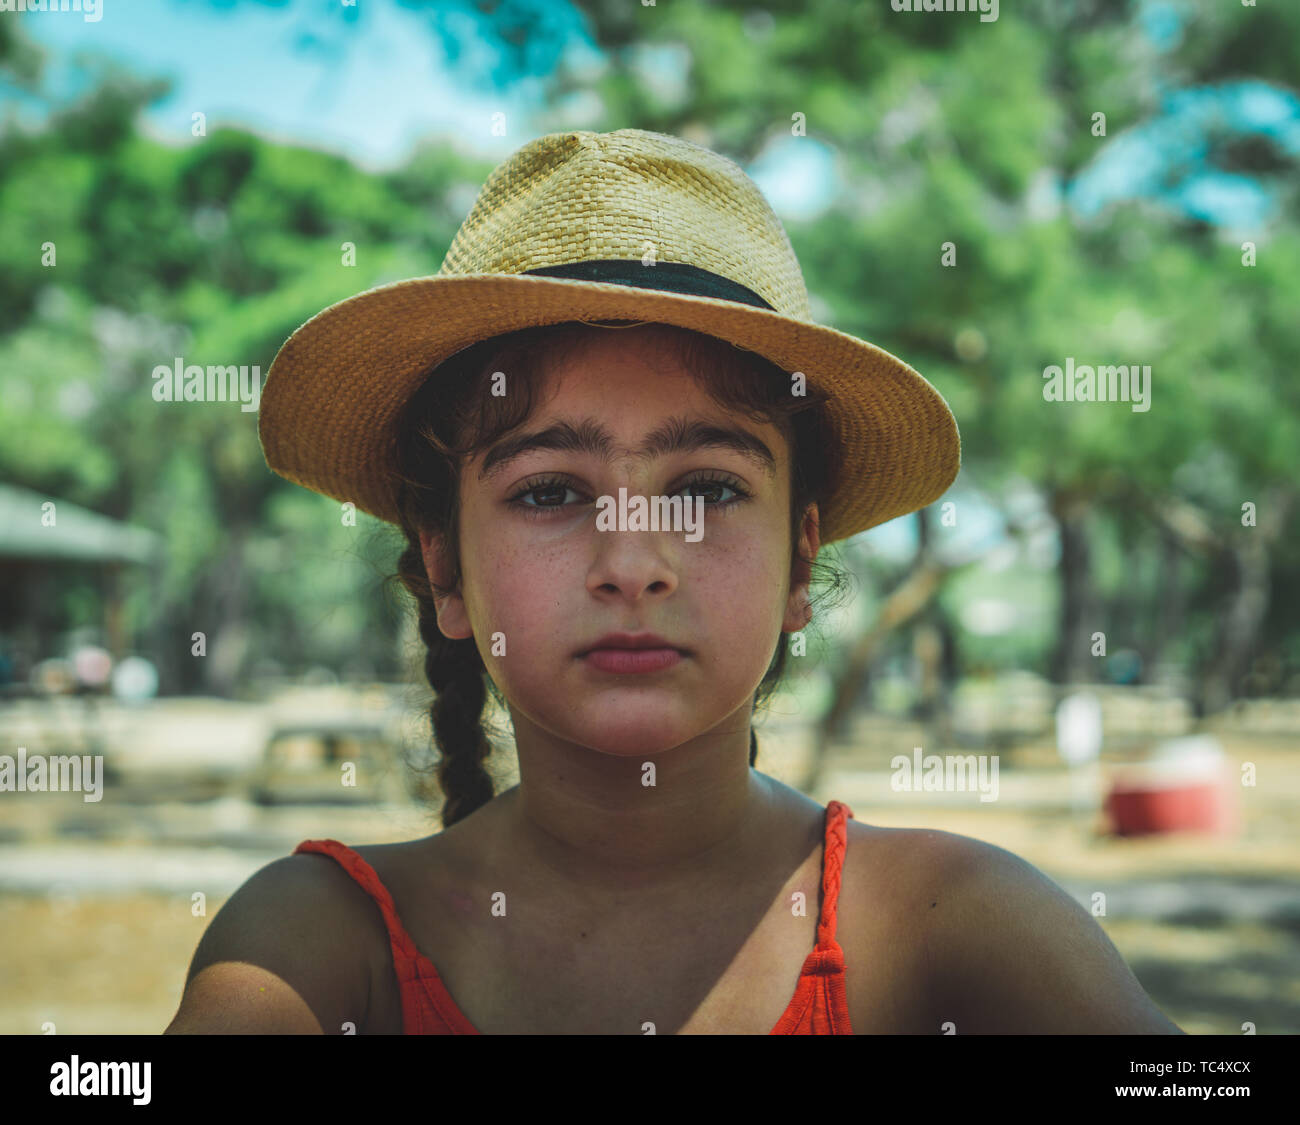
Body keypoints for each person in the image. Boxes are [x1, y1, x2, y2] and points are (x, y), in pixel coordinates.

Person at [165, 129, 1182, 1035]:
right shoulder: (310, 953)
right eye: (550, 491)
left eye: (703, 488)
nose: (634, 564)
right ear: (444, 566)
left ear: (800, 559)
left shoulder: (953, 928)